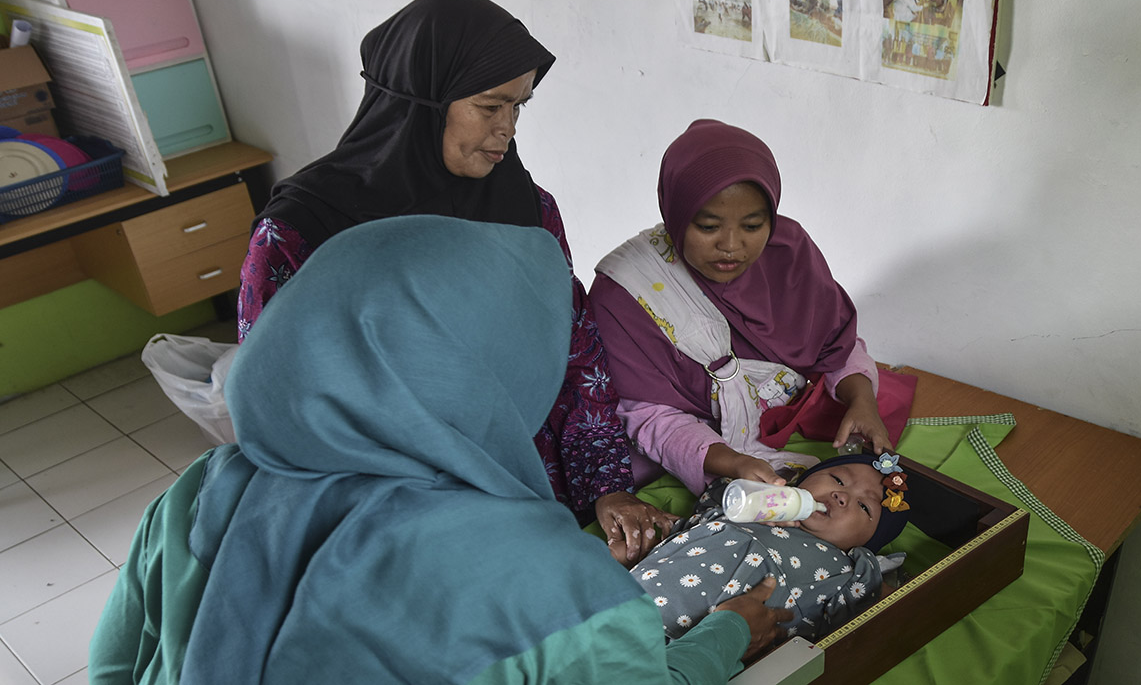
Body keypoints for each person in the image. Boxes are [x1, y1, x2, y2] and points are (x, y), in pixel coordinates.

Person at [90, 216, 793, 684]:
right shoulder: (552, 582)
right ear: (493, 372)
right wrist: (727, 634)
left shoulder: (201, 490)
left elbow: (114, 668)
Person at [234, 0, 670, 556]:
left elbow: (574, 352)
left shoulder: (526, 210)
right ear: (422, 100)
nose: (507, 129)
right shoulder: (303, 232)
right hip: (381, 505)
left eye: (520, 106)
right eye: (490, 107)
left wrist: (606, 488)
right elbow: (276, 403)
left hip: (521, 479)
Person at [590, 119, 891, 502]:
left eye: (753, 225)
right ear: (676, 214)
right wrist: (729, 462)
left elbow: (836, 345)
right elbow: (648, 416)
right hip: (695, 449)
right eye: (708, 225)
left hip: (792, 420)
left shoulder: (787, 253)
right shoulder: (626, 294)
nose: (731, 245)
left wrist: (862, 400)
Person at [625, 453, 911, 644]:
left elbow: (895, 609)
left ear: (866, 544)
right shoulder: (754, 505)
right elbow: (688, 531)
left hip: (684, 648)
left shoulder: (845, 569)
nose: (841, 496)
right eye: (838, 479)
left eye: (864, 506)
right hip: (622, 600)